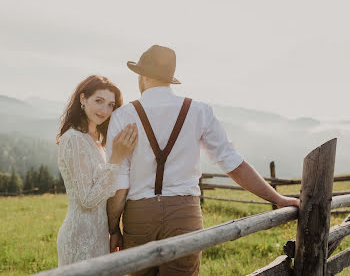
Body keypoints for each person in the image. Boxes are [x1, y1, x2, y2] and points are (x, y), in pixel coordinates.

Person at [106, 45, 300, 276]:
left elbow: (120, 181)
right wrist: (276, 198)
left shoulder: (123, 116)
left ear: (144, 76)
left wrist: (113, 228)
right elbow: (231, 163)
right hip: (184, 215)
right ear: (169, 77)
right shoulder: (197, 111)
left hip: (138, 217)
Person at [56, 75, 138, 266]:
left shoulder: (97, 142)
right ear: (83, 99)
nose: (104, 110)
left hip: (100, 235)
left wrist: (114, 229)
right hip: (80, 238)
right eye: (99, 101)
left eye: (110, 105)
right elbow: (87, 200)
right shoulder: (74, 139)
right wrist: (117, 158)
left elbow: (105, 192)